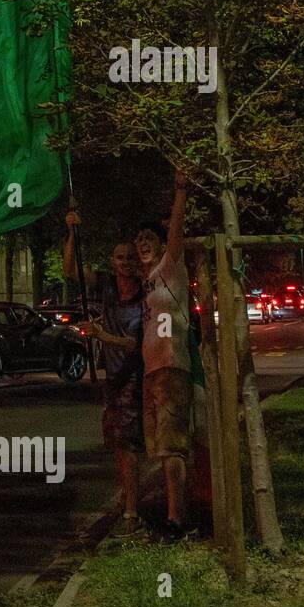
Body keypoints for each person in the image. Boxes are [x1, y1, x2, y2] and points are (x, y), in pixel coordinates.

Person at [64, 213, 145, 537]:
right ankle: (130, 500)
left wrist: (101, 335)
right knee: (118, 444)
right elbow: (70, 271)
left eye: (130, 257)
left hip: (137, 377)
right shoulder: (108, 287)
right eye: (120, 257)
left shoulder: (145, 295)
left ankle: (132, 511)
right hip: (114, 379)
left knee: (129, 445)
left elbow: (134, 344)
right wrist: (71, 232)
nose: (125, 263)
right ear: (112, 262)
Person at [136, 169, 192, 541]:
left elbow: (175, 230)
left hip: (171, 367)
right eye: (138, 239)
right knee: (159, 448)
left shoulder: (170, 268)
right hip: (152, 372)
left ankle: (178, 520)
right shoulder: (148, 281)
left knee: (172, 448)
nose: (143, 244)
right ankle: (170, 511)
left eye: (149, 239)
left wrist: (180, 191)